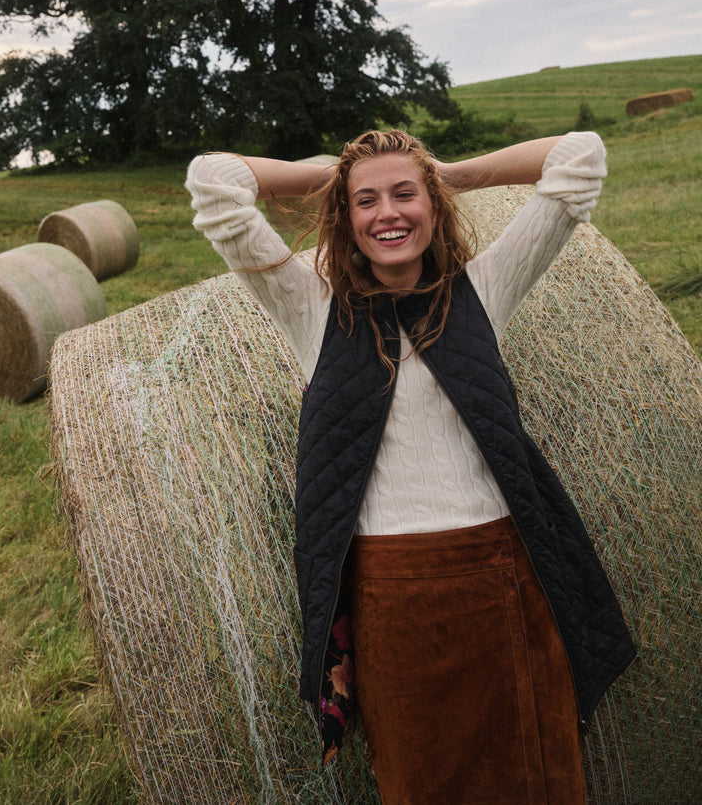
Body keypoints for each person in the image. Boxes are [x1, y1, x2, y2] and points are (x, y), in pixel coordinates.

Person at [186, 130, 636, 805]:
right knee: (420, 781)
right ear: (346, 217)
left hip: (505, 579)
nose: (387, 213)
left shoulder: (485, 286)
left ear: (434, 204)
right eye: (366, 202)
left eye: (405, 195)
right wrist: (334, 183)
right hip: (390, 596)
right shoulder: (309, 306)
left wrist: (447, 170)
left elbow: (579, 158)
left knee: (537, 778)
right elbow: (214, 181)